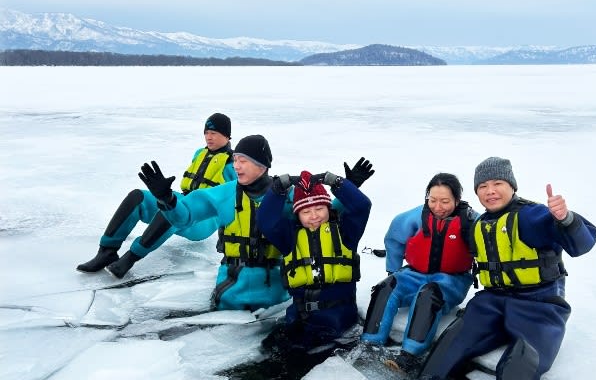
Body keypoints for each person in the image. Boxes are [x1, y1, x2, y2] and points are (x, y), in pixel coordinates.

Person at [419, 157, 596, 380]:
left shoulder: (533, 216)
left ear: (512, 186)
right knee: (455, 336)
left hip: (539, 303)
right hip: (492, 300)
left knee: (522, 357)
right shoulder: (479, 225)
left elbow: (582, 244)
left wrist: (566, 219)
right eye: (483, 186)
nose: (490, 191)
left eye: (498, 183)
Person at [138, 135, 374, 312]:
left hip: (278, 301)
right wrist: (166, 199)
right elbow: (184, 216)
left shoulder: (289, 195)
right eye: (235, 160)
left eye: (243, 161)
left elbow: (323, 218)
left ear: (263, 165)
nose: (236, 166)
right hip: (230, 296)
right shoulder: (223, 195)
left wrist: (349, 189)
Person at [76, 113, 236, 278]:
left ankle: (131, 258)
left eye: (214, 133)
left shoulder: (233, 164)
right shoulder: (199, 153)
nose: (208, 137)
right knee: (138, 197)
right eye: (206, 133)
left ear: (226, 135)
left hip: (204, 220)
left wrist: (227, 237)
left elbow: (237, 201)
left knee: (170, 207)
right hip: (185, 200)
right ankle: (106, 251)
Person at [360, 173, 477, 372]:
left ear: (457, 200)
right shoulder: (415, 217)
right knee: (385, 287)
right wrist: (394, 271)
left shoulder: (471, 221)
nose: (438, 207)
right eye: (432, 200)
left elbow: (491, 250)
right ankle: (369, 344)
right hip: (414, 274)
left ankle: (410, 355)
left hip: (451, 281)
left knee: (428, 295)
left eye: (445, 201)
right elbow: (394, 239)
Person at [256, 169, 372, 348]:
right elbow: (265, 220)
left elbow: (362, 206)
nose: (314, 216)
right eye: (306, 212)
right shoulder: (289, 236)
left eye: (319, 208)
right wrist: (278, 188)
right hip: (300, 320)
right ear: (297, 215)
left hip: (339, 320)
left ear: (328, 208)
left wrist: (337, 183)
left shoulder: (346, 232)